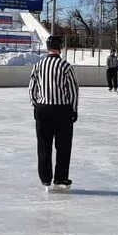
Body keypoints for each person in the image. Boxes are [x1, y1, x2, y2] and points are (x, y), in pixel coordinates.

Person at [29, 35, 78, 190]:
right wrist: (74, 110)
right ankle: (60, 178)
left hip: (43, 109)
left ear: (47, 47)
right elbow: (73, 91)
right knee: (63, 146)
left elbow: (32, 88)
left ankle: (45, 179)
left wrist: (35, 106)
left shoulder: (38, 65)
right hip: (62, 110)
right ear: (60, 47)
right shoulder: (65, 66)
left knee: (43, 145)